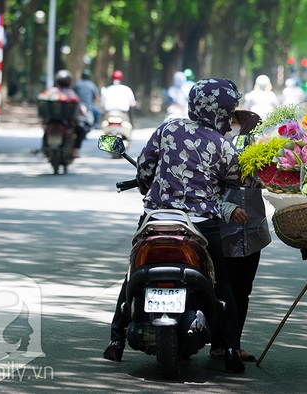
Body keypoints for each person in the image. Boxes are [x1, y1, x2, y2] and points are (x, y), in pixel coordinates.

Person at [102, 77, 262, 374]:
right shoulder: (223, 145)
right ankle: (229, 348)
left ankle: (115, 342)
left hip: (157, 218)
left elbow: (145, 167)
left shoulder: (168, 128)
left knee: (132, 275)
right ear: (223, 110)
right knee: (223, 285)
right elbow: (239, 178)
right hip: (201, 224)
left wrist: (149, 186)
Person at [210, 110, 271, 363]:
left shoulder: (256, 150)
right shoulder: (212, 148)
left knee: (242, 290)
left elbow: (267, 181)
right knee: (220, 289)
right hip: (220, 229)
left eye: (238, 123)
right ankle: (218, 344)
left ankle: (234, 345)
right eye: (231, 123)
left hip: (253, 229)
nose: (234, 127)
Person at [42, 70, 87, 157]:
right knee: (80, 130)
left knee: (46, 130)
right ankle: (75, 150)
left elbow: (43, 100)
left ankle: (44, 148)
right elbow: (79, 107)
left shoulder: (51, 91)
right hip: (67, 122)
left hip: (52, 120)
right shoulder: (71, 93)